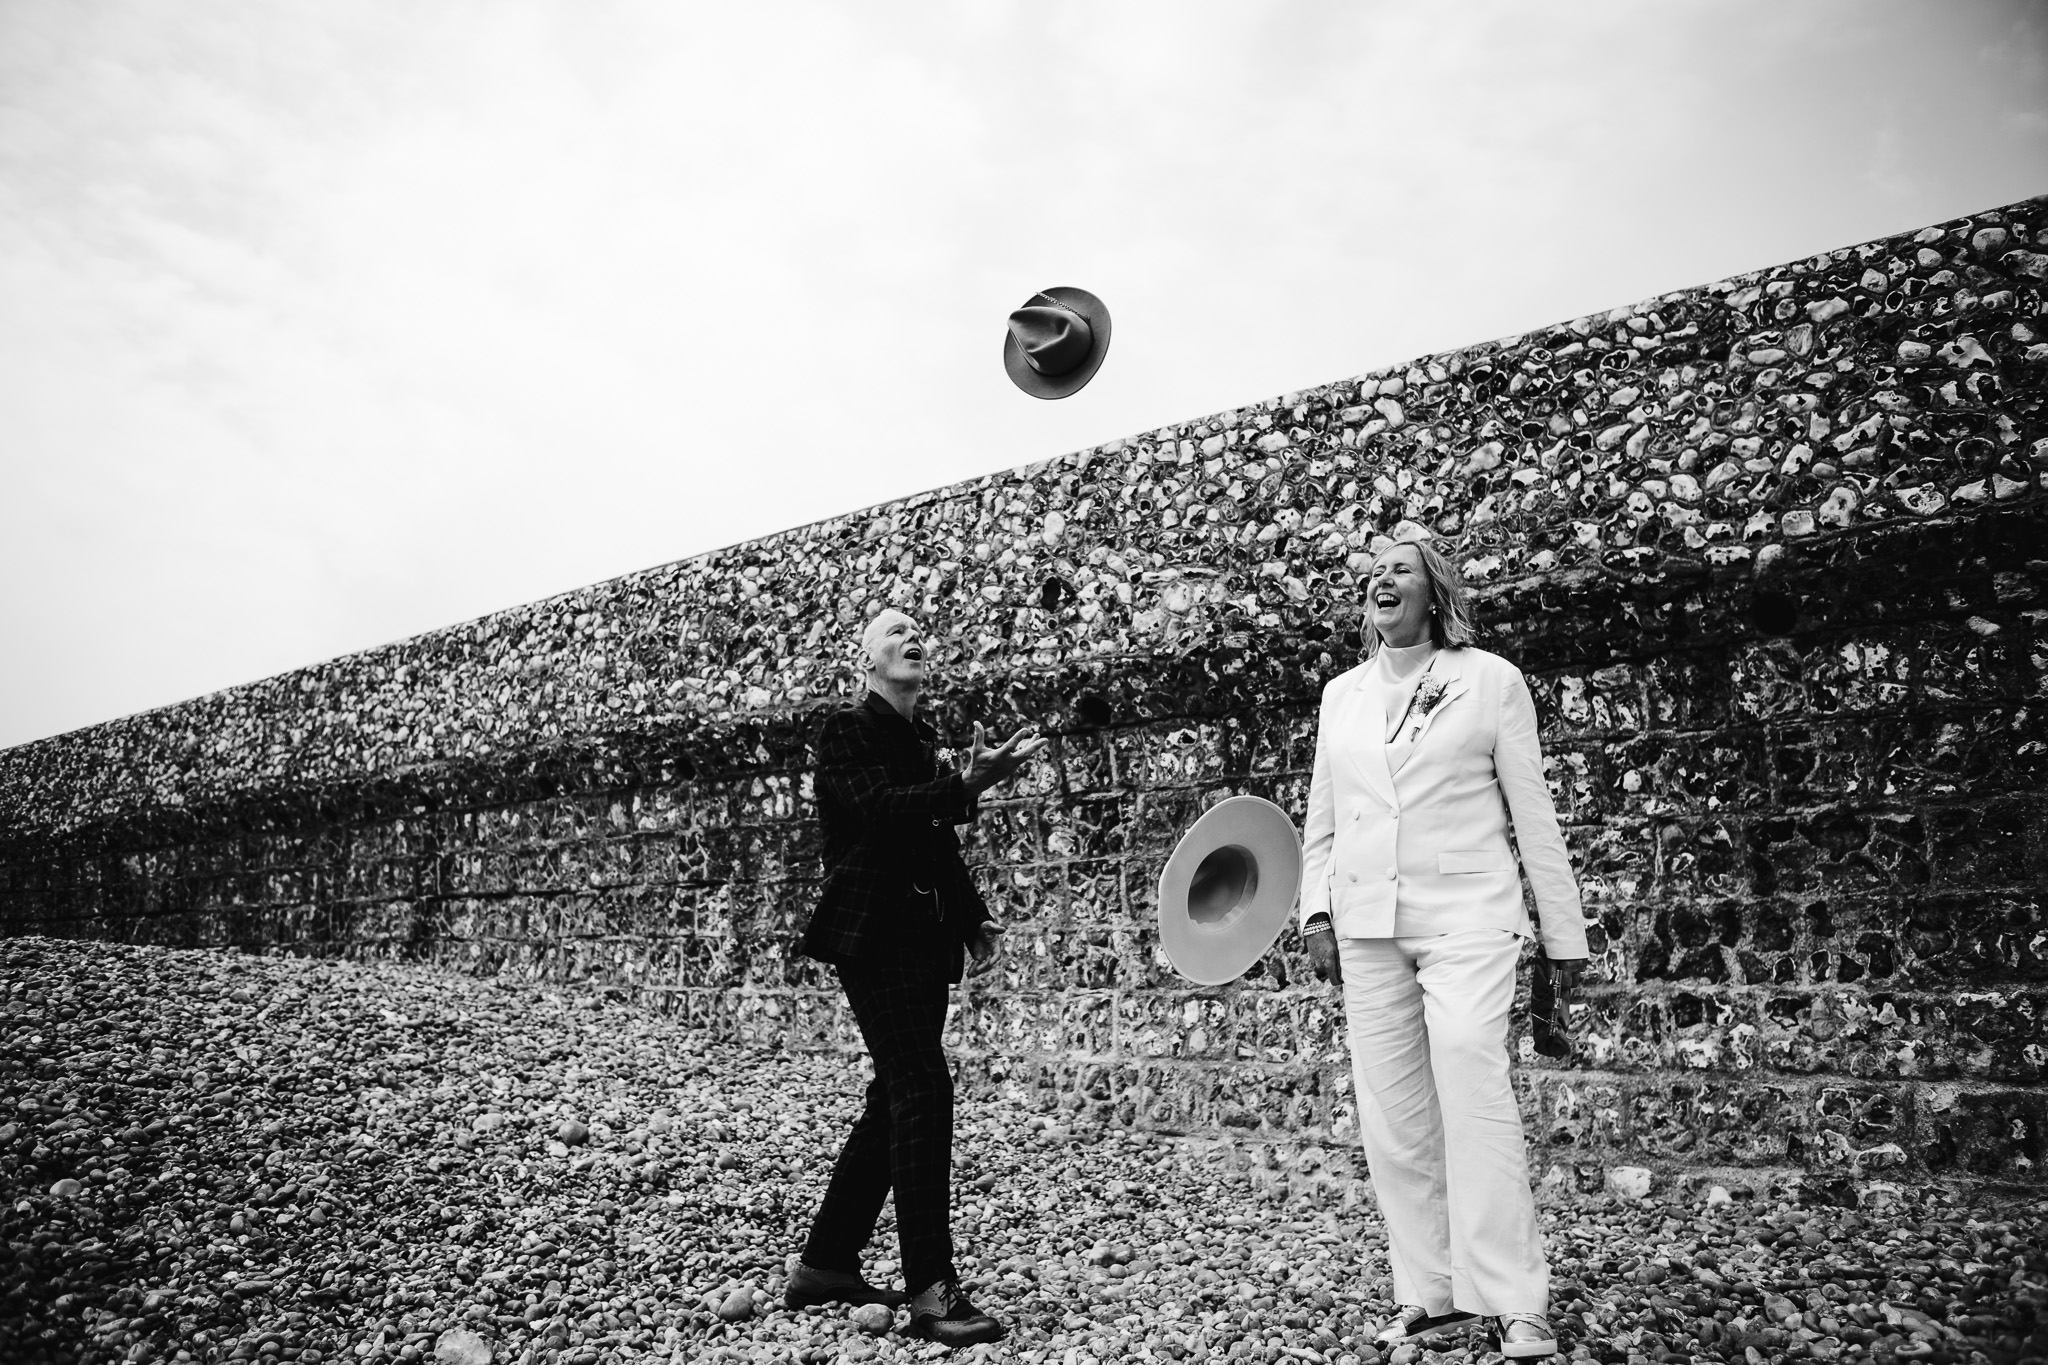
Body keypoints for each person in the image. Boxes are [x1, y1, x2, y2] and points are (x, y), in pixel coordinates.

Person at [1297, 535, 1588, 1360]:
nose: (1381, 577)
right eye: (1373, 570)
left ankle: (1515, 1295)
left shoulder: (1490, 680)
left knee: (1472, 1078)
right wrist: (1316, 913)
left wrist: (1563, 935)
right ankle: (1431, 1292)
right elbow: (1323, 816)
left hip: (1468, 911)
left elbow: (1534, 814)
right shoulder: (1340, 695)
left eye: (1400, 566)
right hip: (1366, 923)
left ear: (1434, 590)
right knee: (1393, 1116)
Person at [784, 607, 1046, 1348]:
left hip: (925, 941)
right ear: (866, 659)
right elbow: (883, 810)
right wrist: (966, 781)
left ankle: (825, 1262)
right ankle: (933, 1290)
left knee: (892, 1098)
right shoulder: (846, 730)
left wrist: (972, 916)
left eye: (920, 628)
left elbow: (933, 840)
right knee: (923, 1087)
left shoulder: (924, 740)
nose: (913, 634)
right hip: (871, 939)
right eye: (895, 629)